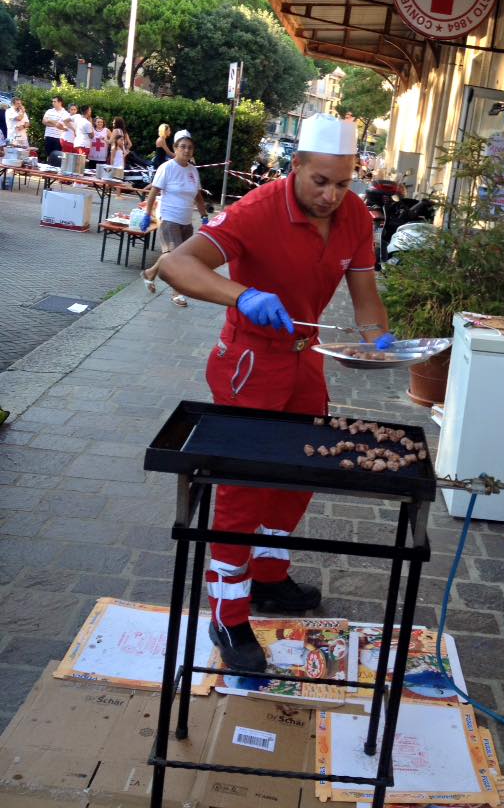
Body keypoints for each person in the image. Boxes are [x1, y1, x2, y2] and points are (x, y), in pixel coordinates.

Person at [158, 114, 396, 671]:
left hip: (304, 358)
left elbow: (365, 295)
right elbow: (175, 264)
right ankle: (227, 613)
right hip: (248, 362)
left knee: (297, 476)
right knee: (242, 492)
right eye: (321, 182)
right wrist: (241, 295)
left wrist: (376, 338)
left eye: (344, 183)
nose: (332, 195)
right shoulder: (257, 210)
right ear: (296, 167)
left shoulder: (355, 214)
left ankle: (267, 575)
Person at [139, 131, 208, 308]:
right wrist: (147, 214)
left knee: (174, 256)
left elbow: (198, 196)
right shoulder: (167, 168)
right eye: (183, 147)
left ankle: (150, 273)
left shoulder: (193, 170)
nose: (186, 150)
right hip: (168, 218)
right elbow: (153, 192)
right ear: (175, 148)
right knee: (176, 257)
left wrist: (205, 217)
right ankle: (177, 293)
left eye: (190, 147)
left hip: (186, 221)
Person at [42, 95, 72, 160]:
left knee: (57, 156)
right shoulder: (49, 111)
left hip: (58, 137)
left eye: (54, 101)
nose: (53, 103)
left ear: (60, 102)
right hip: (49, 136)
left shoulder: (65, 113)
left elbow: (63, 126)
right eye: (52, 101)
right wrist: (56, 124)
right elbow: (44, 122)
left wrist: (50, 120)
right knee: (48, 155)